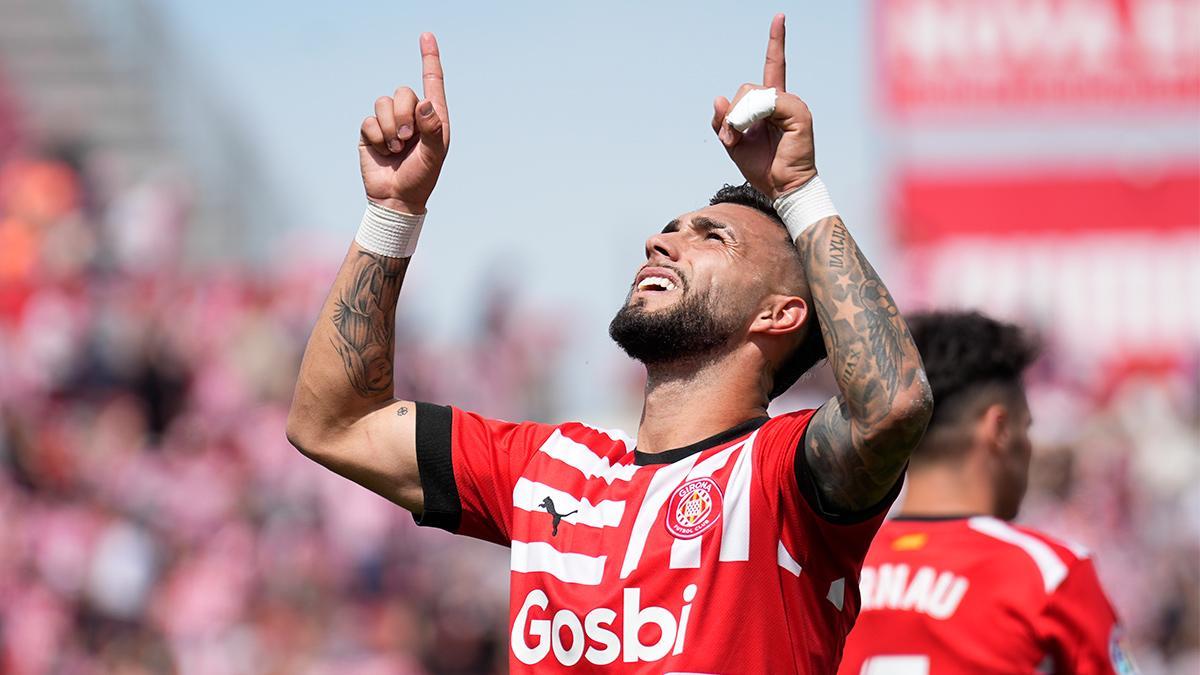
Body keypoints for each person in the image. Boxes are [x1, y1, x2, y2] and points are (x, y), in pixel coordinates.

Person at [287, 14, 933, 673]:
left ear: (780, 314)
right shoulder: (551, 467)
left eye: (711, 237)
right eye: (669, 229)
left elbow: (893, 404)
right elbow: (336, 424)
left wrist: (797, 191)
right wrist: (392, 212)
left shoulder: (780, 477)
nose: (662, 240)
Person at [838, 311, 1134, 675]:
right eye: (1027, 427)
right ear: (999, 427)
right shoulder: (1047, 573)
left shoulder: (839, 572)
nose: (1030, 447)